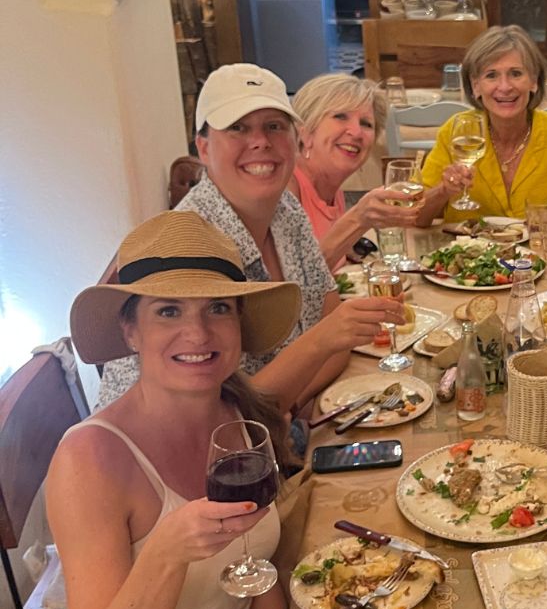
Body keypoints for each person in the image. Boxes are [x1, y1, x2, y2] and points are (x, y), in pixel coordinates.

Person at [35, 211, 299, 609]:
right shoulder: (90, 459)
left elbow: (259, 579)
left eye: (218, 309)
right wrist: (166, 552)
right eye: (168, 311)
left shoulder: (239, 417)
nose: (197, 334)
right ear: (129, 330)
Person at [96, 63, 406, 412]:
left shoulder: (285, 209)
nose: (259, 142)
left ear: (295, 138)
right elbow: (215, 420)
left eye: (273, 126)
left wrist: (292, 411)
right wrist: (318, 347)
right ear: (204, 148)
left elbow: (337, 342)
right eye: (237, 128)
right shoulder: (187, 244)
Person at [416, 25, 547, 224]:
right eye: (491, 75)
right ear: (475, 85)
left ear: (534, 81)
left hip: (538, 252)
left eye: (515, 73)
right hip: (468, 253)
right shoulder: (457, 132)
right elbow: (417, 217)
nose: (504, 87)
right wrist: (444, 190)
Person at [289, 72, 420, 270]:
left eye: (366, 124)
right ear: (305, 130)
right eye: (340, 116)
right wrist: (358, 219)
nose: (356, 132)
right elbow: (297, 284)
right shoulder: (286, 190)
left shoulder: (333, 189)